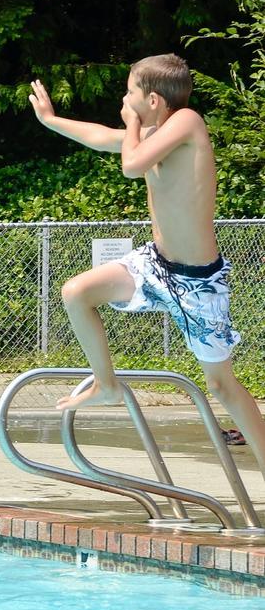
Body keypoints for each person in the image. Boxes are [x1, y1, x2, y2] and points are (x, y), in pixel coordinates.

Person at [29, 53, 265, 473]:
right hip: (155, 266)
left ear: (153, 100)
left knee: (221, 386)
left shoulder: (188, 121)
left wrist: (133, 125)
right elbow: (104, 137)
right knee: (77, 293)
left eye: (130, 91)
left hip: (198, 282)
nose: (125, 99)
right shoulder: (157, 132)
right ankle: (106, 384)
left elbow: (130, 165)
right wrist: (51, 121)